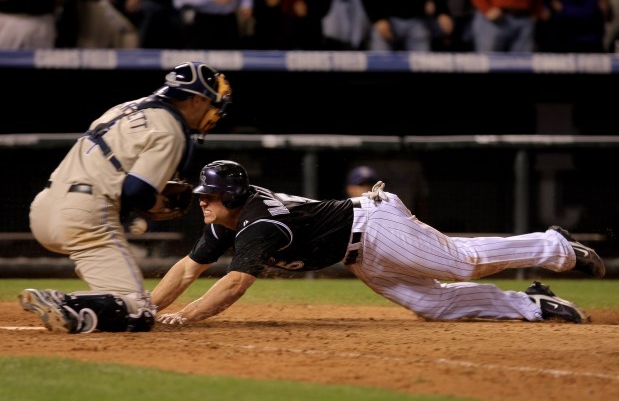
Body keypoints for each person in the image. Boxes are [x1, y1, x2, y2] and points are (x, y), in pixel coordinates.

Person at [152, 160, 605, 327]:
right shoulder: (223, 221)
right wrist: (149, 308)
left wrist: (182, 319)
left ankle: (553, 246)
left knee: (462, 264)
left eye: (208, 197)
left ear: (230, 197)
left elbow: (232, 286)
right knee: (435, 306)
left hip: (373, 226)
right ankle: (533, 307)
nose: (202, 204)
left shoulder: (258, 224)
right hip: (356, 252)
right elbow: (187, 268)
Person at [19, 62, 233, 334]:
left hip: (45, 208)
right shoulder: (170, 128)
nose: (214, 112)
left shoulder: (126, 107)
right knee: (139, 310)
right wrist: (157, 202)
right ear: (197, 99)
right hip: (85, 215)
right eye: (211, 103)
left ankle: (91, 296)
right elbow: (136, 191)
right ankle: (62, 302)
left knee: (117, 296)